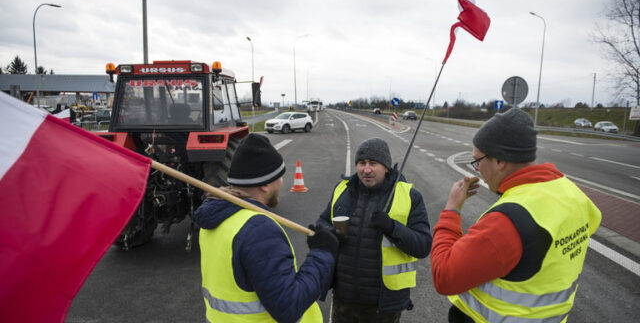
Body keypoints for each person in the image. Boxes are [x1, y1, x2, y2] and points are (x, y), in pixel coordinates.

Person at [430, 108, 602, 322]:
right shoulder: (572, 194)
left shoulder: (507, 221)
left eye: (478, 161)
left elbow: (444, 277)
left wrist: (451, 209)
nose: (477, 170)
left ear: (501, 161)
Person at [194, 134, 340, 323]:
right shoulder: (258, 229)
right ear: (264, 184)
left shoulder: (215, 217)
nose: (281, 183)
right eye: (278, 177)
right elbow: (289, 307)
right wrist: (322, 253)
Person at [315, 137, 432, 322]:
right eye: (361, 163)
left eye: (373, 163)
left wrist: (392, 227)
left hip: (383, 306)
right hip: (342, 299)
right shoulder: (342, 190)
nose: (366, 169)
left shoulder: (410, 196)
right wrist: (329, 232)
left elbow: (423, 245)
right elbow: (322, 221)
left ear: (386, 167)